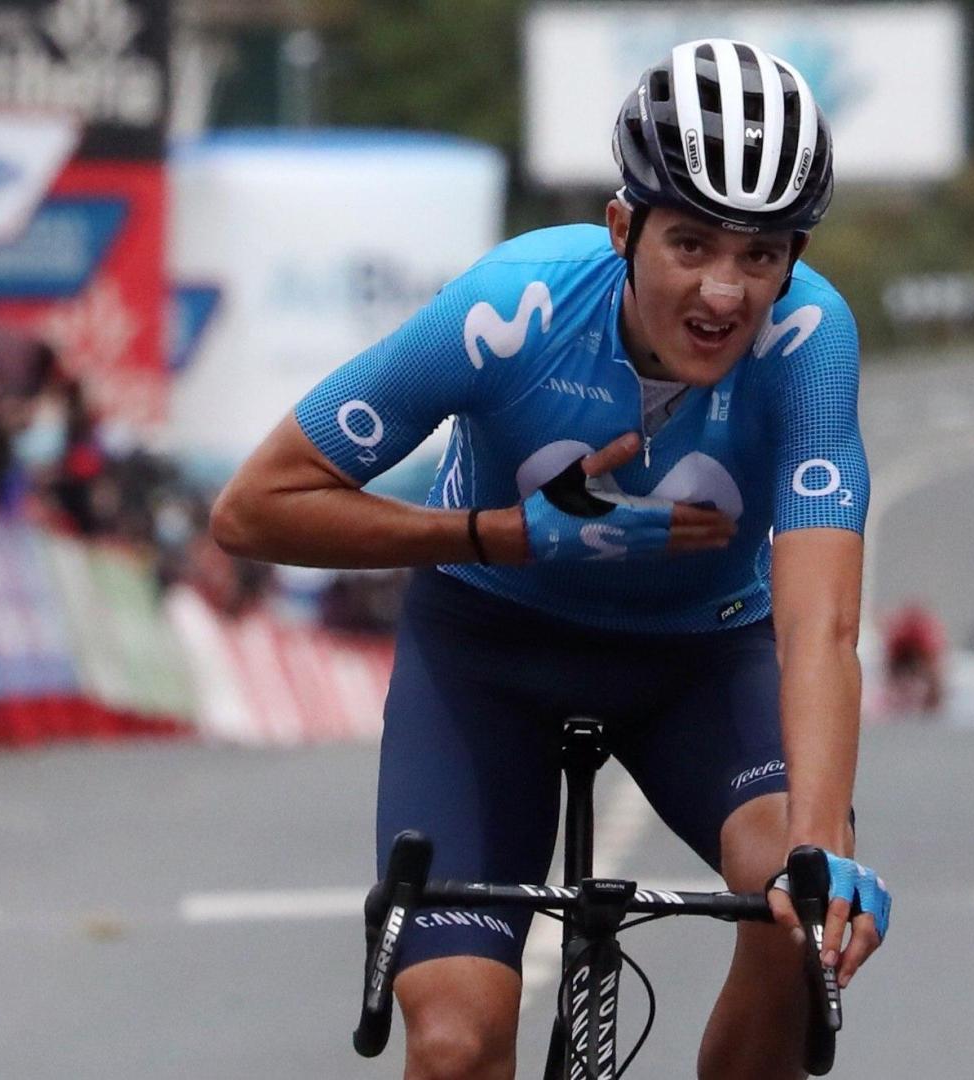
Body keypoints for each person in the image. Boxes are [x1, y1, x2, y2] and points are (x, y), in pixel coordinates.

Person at [213, 39, 890, 1079]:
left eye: (762, 255)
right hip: (491, 655)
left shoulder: (812, 342)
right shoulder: (514, 308)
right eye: (693, 244)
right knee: (455, 1046)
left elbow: (820, 626)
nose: (725, 291)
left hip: (700, 665)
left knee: (796, 917)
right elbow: (255, 509)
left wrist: (818, 855)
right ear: (623, 228)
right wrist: (496, 534)